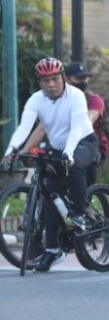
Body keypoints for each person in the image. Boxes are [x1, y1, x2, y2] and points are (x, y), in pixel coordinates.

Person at [2, 58, 100, 272]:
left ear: (63, 77)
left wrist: (68, 152)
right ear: (40, 83)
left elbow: (76, 128)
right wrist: (12, 149)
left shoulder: (76, 96)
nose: (51, 84)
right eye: (46, 81)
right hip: (58, 148)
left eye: (55, 79)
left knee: (73, 166)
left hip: (83, 142)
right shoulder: (36, 100)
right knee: (48, 192)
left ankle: (79, 212)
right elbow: (24, 127)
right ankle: (53, 250)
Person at [22, 62, 109, 185]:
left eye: (85, 78)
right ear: (66, 79)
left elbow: (88, 120)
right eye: (79, 78)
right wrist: (25, 151)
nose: (83, 81)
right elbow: (42, 128)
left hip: (90, 148)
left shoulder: (94, 100)